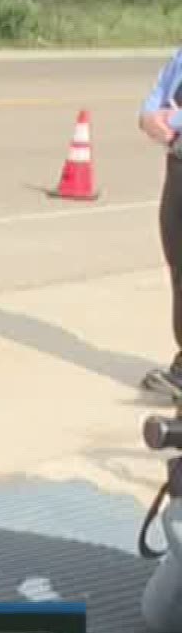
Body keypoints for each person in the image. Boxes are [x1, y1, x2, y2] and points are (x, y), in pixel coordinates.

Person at [138, 44, 182, 398]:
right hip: (178, 163)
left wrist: (174, 119)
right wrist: (151, 117)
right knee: (177, 260)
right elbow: (155, 98)